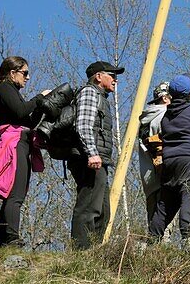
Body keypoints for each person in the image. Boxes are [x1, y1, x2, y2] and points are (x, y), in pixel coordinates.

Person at [0, 56, 50, 248]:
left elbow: (27, 120)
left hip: (19, 141)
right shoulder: (5, 88)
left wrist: (42, 106)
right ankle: (11, 239)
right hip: (13, 143)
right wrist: (39, 98)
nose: (28, 77)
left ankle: (4, 241)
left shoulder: (10, 91)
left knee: (12, 193)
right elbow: (21, 111)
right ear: (13, 73)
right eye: (25, 73)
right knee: (15, 194)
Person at [149, 75, 190, 241]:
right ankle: (189, 239)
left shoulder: (166, 117)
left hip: (169, 162)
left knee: (166, 203)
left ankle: (152, 238)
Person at [69, 60, 124, 250]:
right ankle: (81, 252)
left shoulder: (101, 97)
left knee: (102, 210)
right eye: (112, 75)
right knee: (88, 207)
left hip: (99, 159)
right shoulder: (89, 92)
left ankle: (94, 251)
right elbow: (83, 126)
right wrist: (92, 154)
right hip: (90, 159)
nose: (116, 80)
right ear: (99, 76)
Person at [137, 81, 171, 226]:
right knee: (164, 224)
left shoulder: (146, 119)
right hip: (162, 176)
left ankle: (154, 248)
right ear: (165, 98)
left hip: (149, 179)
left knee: (153, 223)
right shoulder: (163, 115)